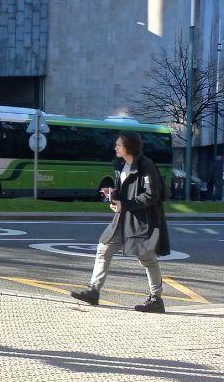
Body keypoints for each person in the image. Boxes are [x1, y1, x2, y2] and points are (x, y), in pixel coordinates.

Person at [71, 131, 171, 313]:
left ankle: (156, 300)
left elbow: (152, 195)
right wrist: (113, 194)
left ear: (129, 146)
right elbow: (126, 193)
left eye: (118, 145)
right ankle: (93, 291)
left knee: (147, 258)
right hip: (123, 217)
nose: (115, 148)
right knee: (104, 248)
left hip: (142, 220)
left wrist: (124, 204)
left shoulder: (145, 165)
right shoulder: (122, 165)